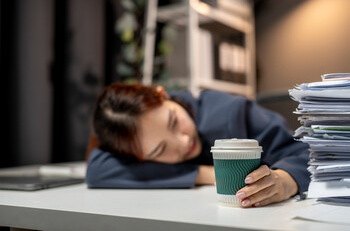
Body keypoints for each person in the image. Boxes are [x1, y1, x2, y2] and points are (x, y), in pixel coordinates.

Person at [85, 82, 310, 208]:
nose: (183, 142)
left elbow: (305, 152)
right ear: (138, 157)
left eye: (174, 122)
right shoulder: (131, 146)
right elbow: (96, 169)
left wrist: (284, 182)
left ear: (161, 94)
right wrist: (206, 174)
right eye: (160, 150)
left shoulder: (232, 112)